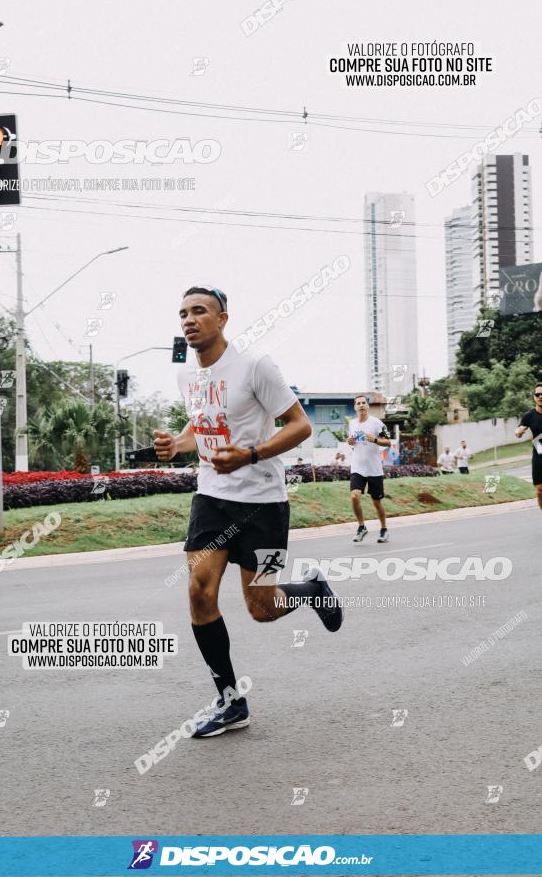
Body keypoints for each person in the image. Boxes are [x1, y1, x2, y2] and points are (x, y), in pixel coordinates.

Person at [153, 287, 342, 738]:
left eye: (199, 311)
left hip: (265, 504)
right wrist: (177, 445)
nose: (189, 320)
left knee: (262, 607)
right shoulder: (187, 378)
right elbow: (201, 427)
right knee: (200, 592)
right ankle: (231, 701)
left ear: (222, 319)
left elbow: (301, 426)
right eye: (182, 313)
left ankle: (312, 589)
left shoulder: (255, 366)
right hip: (212, 500)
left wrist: (250, 455)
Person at [347, 395, 392, 543]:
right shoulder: (352, 424)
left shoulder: (376, 423)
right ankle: (361, 527)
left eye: (363, 403)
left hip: (374, 468)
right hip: (357, 467)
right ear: (355, 407)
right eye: (358, 403)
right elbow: (353, 443)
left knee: (376, 502)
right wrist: (350, 441)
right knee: (354, 496)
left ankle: (384, 529)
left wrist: (374, 439)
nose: (361, 405)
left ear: (368, 406)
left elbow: (388, 442)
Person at [515, 382, 542, 512]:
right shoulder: (529, 415)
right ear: (534, 397)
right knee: (539, 491)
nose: (540, 396)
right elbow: (519, 430)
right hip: (538, 456)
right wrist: (519, 432)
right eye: (538, 394)